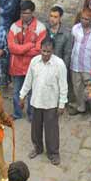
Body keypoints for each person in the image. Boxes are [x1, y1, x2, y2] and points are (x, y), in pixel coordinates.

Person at [20, 37, 68, 165]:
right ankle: (37, 147)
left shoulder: (59, 64)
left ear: (53, 51)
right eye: (43, 51)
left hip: (51, 103)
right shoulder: (34, 61)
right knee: (35, 127)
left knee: (51, 130)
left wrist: (62, 104)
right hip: (36, 100)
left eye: (48, 52)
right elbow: (28, 80)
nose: (45, 54)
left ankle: (53, 153)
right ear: (40, 49)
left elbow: (63, 86)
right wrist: (22, 95)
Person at [8, 0, 47, 120]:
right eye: (22, 13)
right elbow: (12, 48)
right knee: (16, 92)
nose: (24, 15)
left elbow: (38, 50)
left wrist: (20, 49)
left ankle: (31, 115)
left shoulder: (40, 28)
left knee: (32, 92)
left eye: (27, 13)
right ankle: (17, 113)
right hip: (17, 66)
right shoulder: (14, 26)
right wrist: (30, 44)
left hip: (32, 66)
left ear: (32, 13)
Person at [68, 9, 91, 120]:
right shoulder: (75, 28)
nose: (83, 21)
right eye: (82, 18)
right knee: (77, 88)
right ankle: (81, 108)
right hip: (75, 65)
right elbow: (72, 44)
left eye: (86, 19)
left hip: (89, 66)